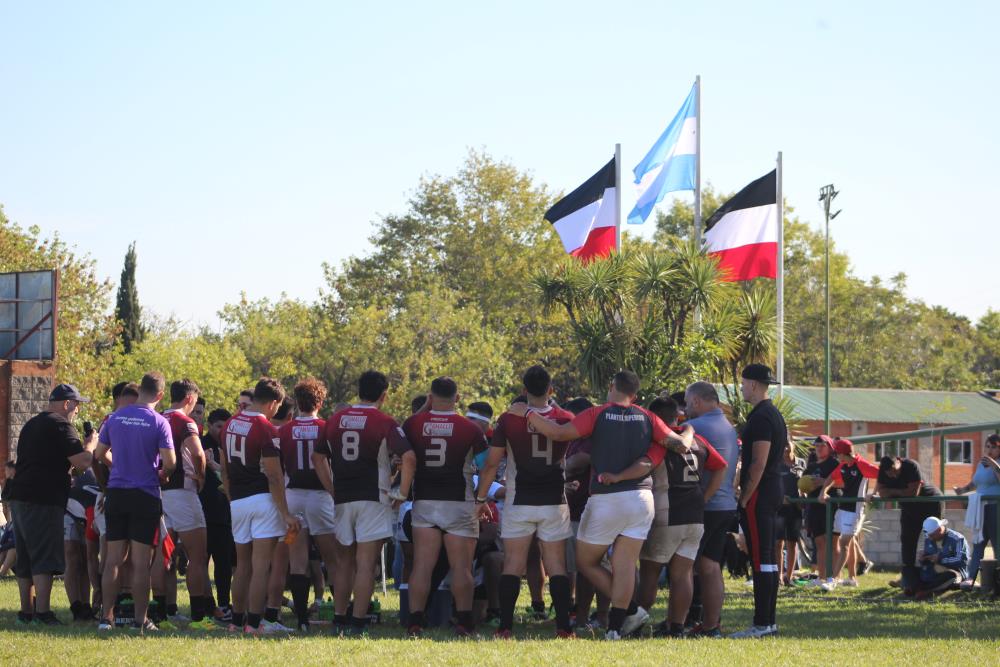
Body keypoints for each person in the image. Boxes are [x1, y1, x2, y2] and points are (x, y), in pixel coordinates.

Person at [511, 370, 694, 640]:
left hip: (606, 498)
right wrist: (689, 429)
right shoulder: (648, 416)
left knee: (586, 562)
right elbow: (681, 446)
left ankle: (630, 610)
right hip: (641, 499)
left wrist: (527, 413)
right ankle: (616, 628)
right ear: (635, 395)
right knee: (625, 563)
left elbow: (559, 434)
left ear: (611, 386)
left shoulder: (596, 413)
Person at [475, 365, 576, 639]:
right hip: (554, 500)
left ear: (523, 390)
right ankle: (564, 628)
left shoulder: (509, 419)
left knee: (513, 563)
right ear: (551, 389)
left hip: (519, 499)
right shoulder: (565, 417)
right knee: (556, 564)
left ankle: (505, 627)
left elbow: (491, 464)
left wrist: (481, 498)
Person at [317, 370, 415, 636]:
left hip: (343, 497)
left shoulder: (335, 420)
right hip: (373, 496)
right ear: (384, 395)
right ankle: (358, 622)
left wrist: (331, 488)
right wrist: (402, 493)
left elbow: (318, 457)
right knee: (366, 562)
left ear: (358, 391)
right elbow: (409, 457)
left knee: (344, 561)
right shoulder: (384, 421)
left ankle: (339, 618)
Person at [402, 377, 486, 637]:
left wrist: (424, 408)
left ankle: (415, 621)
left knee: (422, 565)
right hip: (459, 501)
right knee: (461, 567)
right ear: (457, 398)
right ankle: (464, 622)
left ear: (430, 396)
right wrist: (482, 499)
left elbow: (404, 433)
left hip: (425, 501)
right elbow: (486, 465)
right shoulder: (470, 428)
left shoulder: (414, 423)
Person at [5, 383, 95, 626]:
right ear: (66, 403)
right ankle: (43, 613)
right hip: (43, 500)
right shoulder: (61, 425)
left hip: (20, 497)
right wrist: (90, 445)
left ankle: (26, 613)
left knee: (26, 557)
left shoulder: (32, 424)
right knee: (43, 556)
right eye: (76, 405)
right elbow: (83, 462)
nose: (77, 410)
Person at [638, 396, 726, 638]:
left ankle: (634, 623)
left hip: (667, 513)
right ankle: (676, 627)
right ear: (676, 417)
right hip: (695, 514)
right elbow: (721, 466)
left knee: (649, 572)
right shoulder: (699, 440)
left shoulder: (658, 439)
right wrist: (705, 496)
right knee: (683, 573)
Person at [95, 373, 176, 632]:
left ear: (139, 390)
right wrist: (163, 473)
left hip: (117, 492)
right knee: (141, 562)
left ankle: (106, 618)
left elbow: (98, 453)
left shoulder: (115, 417)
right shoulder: (159, 422)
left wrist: (117, 465)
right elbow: (170, 462)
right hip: (145, 494)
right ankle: (140, 621)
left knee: (113, 559)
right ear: (160, 395)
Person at [219, 377, 300, 636]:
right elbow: (274, 476)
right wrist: (285, 513)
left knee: (242, 566)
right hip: (262, 499)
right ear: (273, 403)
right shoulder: (266, 428)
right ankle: (254, 624)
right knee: (261, 566)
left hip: (238, 500)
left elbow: (225, 469)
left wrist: (231, 498)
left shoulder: (230, 423)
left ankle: (236, 621)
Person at [269, 378, 334, 633]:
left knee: (297, 561)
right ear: (320, 402)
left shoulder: (283, 430)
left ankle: (302, 620)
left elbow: (277, 467)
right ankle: (341, 614)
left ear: (296, 402)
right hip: (320, 498)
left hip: (293, 496)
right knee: (333, 558)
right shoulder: (326, 428)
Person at [729, 364, 786, 639]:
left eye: (743, 384)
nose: (741, 388)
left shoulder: (762, 417)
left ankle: (762, 623)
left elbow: (758, 462)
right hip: (771, 490)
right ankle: (768, 623)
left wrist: (745, 497)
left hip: (760, 494)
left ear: (752, 384)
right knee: (768, 560)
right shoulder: (772, 413)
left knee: (761, 560)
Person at [683, 381, 739, 638]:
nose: (685, 408)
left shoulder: (694, 427)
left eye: (687, 403)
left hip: (705, 505)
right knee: (710, 565)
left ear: (696, 401)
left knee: (683, 566)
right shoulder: (729, 427)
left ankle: (679, 620)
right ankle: (711, 624)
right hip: (725, 505)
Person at [158, 379, 214, 630]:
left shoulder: (157, 417)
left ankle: (160, 616)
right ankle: (199, 618)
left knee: (161, 557)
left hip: (159, 492)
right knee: (197, 557)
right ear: (189, 399)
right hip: (182, 491)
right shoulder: (185, 421)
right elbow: (198, 453)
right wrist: (201, 476)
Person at [871, 455, 942, 588]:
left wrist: (892, 492)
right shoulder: (883, 471)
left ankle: (936, 576)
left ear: (898, 462)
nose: (893, 475)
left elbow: (913, 493)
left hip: (929, 502)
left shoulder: (911, 465)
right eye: (889, 473)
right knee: (907, 540)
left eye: (894, 470)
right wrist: (901, 491)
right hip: (909, 507)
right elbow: (882, 493)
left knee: (933, 538)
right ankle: (907, 577)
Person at [819, 438, 879, 590]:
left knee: (844, 543)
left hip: (855, 510)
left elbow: (881, 474)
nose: (836, 456)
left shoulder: (861, 465)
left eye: (837, 454)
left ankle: (832, 580)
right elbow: (831, 478)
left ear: (843, 453)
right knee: (844, 542)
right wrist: (823, 492)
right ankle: (852, 578)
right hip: (842, 508)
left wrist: (873, 493)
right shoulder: (843, 465)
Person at [199, 408, 234, 621]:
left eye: (225, 426)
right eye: (219, 426)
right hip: (204, 511)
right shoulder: (200, 444)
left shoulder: (229, 446)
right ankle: (205, 604)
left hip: (224, 513)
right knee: (201, 561)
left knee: (224, 563)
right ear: (210, 425)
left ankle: (224, 603)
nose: (222, 430)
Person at [953, 433, 1000, 589]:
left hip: (995, 507)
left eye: (994, 447)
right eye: (988, 446)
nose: (990, 450)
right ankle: (970, 578)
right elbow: (975, 483)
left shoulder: (995, 463)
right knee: (978, 542)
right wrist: (962, 490)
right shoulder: (981, 464)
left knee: (997, 544)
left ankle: (997, 581)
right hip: (980, 508)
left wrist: (994, 464)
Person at [903, 517, 969, 599]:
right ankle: (919, 588)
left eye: (932, 535)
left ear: (939, 530)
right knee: (907, 569)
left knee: (952, 576)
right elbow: (926, 560)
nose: (930, 538)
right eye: (928, 536)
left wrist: (941, 559)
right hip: (932, 573)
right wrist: (922, 558)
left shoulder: (957, 539)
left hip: (953, 573)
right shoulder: (929, 538)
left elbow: (962, 560)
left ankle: (922, 590)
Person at [776, 441, 806, 586]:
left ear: (793, 446)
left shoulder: (801, 463)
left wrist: (803, 496)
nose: (785, 448)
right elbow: (772, 485)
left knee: (792, 543)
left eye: (788, 445)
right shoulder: (776, 464)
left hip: (796, 508)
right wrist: (780, 498)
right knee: (778, 542)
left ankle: (789, 576)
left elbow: (806, 483)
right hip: (780, 508)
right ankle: (778, 577)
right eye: (783, 446)